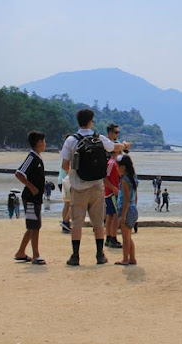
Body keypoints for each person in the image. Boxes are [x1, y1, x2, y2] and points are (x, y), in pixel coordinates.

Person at [62, 109, 129, 267]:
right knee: (98, 223)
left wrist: (75, 174)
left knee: (77, 222)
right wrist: (124, 145)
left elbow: (65, 165)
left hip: (78, 187)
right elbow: (115, 148)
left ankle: (75, 256)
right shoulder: (99, 138)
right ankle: (100, 255)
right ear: (91, 121)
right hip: (97, 186)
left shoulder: (71, 140)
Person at [13, 130, 47, 265]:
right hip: (31, 198)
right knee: (35, 226)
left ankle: (21, 252)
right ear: (39, 142)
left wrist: (40, 187)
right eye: (44, 141)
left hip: (36, 197)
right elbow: (19, 173)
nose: (45, 144)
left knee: (33, 225)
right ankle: (36, 255)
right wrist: (31, 187)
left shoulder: (37, 158)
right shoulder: (32, 157)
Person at [115, 154, 138, 266]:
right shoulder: (133, 178)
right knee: (129, 236)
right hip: (133, 209)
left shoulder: (124, 180)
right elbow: (135, 197)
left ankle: (125, 259)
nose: (117, 169)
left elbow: (126, 199)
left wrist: (123, 216)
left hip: (127, 210)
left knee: (125, 237)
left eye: (118, 167)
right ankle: (132, 258)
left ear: (123, 167)